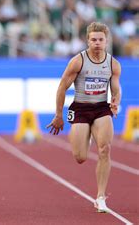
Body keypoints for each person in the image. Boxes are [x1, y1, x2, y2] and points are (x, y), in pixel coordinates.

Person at [47, 22, 122, 213]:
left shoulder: (113, 63)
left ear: (106, 41)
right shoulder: (77, 61)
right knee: (80, 157)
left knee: (105, 149)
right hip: (80, 109)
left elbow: (115, 87)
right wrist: (58, 115)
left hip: (101, 109)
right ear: (87, 40)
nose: (97, 43)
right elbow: (62, 87)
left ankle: (101, 197)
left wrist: (115, 100)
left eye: (101, 40)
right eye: (93, 39)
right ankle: (85, 135)